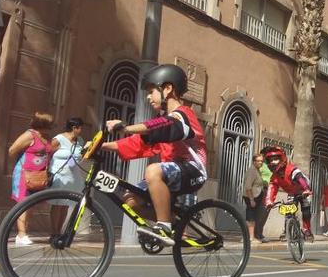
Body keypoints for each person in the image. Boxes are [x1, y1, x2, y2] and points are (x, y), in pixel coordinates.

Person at [102, 64, 208, 246]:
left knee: (152, 170)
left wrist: (125, 127)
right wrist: (100, 145)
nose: (148, 97)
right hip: (171, 174)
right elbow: (138, 143)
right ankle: (174, 221)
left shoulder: (183, 114)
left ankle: (164, 227)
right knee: (130, 201)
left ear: (168, 88)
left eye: (152, 91)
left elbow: (165, 125)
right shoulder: (164, 123)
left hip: (194, 171)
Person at [7, 111, 55, 246]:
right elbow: (12, 150)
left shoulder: (47, 137)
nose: (51, 126)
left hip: (38, 176)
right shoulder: (29, 135)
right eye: (49, 124)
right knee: (23, 204)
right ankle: (21, 235)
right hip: (24, 175)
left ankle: (24, 232)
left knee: (31, 205)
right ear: (42, 124)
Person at [261, 145, 313, 238]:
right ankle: (287, 231)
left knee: (306, 210)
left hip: (303, 190)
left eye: (275, 159)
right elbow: (272, 188)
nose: (272, 162)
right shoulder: (274, 177)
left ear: (282, 159)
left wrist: (306, 189)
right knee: (288, 211)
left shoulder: (291, 169)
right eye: (270, 160)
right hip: (292, 192)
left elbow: (300, 179)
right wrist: (269, 201)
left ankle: (307, 230)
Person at [48, 117, 86, 238]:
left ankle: (59, 231)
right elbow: (48, 152)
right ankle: (53, 231)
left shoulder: (80, 140)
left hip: (72, 177)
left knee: (65, 204)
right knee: (57, 204)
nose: (81, 130)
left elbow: (81, 156)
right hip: (59, 175)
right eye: (80, 128)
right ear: (74, 128)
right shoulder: (59, 139)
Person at [244, 153, 268, 243]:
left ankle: (251, 237)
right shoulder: (252, 171)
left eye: (262, 161)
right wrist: (251, 199)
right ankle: (250, 238)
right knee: (251, 217)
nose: (260, 162)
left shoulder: (257, 170)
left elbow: (257, 184)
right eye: (258, 161)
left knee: (253, 216)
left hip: (256, 196)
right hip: (251, 197)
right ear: (254, 161)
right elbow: (248, 186)